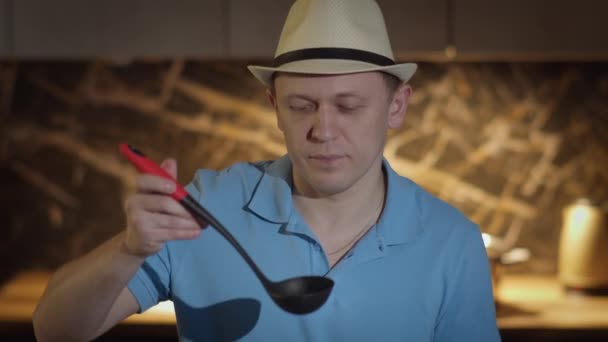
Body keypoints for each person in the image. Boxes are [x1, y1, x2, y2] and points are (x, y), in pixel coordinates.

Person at [33, 0, 501, 341]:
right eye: (301, 106)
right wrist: (128, 251)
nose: (323, 130)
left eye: (349, 106)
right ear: (274, 108)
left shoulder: (451, 242)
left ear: (396, 106)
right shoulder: (206, 207)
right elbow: (54, 329)